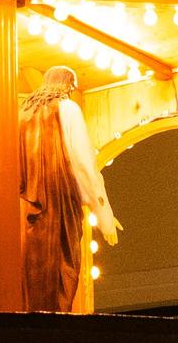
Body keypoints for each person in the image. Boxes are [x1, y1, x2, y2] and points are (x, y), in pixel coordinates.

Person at [19, 65, 119, 313]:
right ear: (69, 86)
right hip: (59, 203)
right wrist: (104, 214)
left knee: (32, 279)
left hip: (26, 210)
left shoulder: (22, 115)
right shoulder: (68, 109)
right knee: (61, 273)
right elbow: (84, 164)